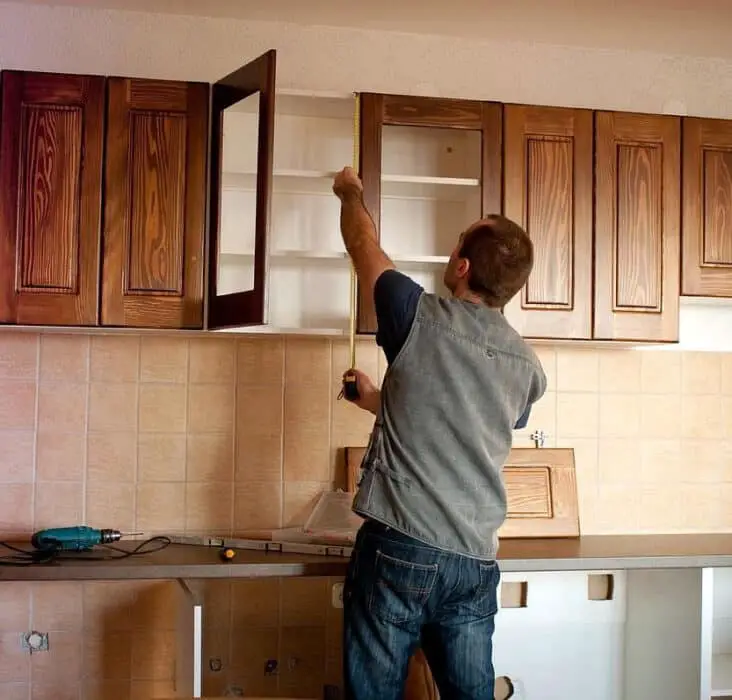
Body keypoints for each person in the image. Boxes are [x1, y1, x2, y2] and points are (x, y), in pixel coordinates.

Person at [332, 166, 547, 700]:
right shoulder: (527, 368)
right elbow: (462, 419)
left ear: (462, 265)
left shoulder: (414, 314)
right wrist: (379, 403)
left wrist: (350, 192)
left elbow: (363, 245)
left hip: (400, 547)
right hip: (473, 562)